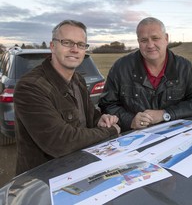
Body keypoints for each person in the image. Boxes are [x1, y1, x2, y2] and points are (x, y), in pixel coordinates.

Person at [14, 19, 120, 175]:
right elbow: (60, 142)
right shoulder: (30, 87)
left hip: (78, 169)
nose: (75, 49)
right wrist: (110, 131)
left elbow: (89, 114)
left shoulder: (78, 80)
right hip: (43, 179)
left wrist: (101, 120)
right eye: (67, 43)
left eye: (81, 44)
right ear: (52, 46)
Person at [98, 17, 192, 132]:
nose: (150, 45)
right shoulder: (121, 67)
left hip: (174, 135)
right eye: (144, 40)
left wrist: (165, 114)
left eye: (155, 38)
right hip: (135, 139)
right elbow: (106, 105)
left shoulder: (183, 67)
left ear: (166, 38)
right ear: (138, 42)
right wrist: (130, 120)